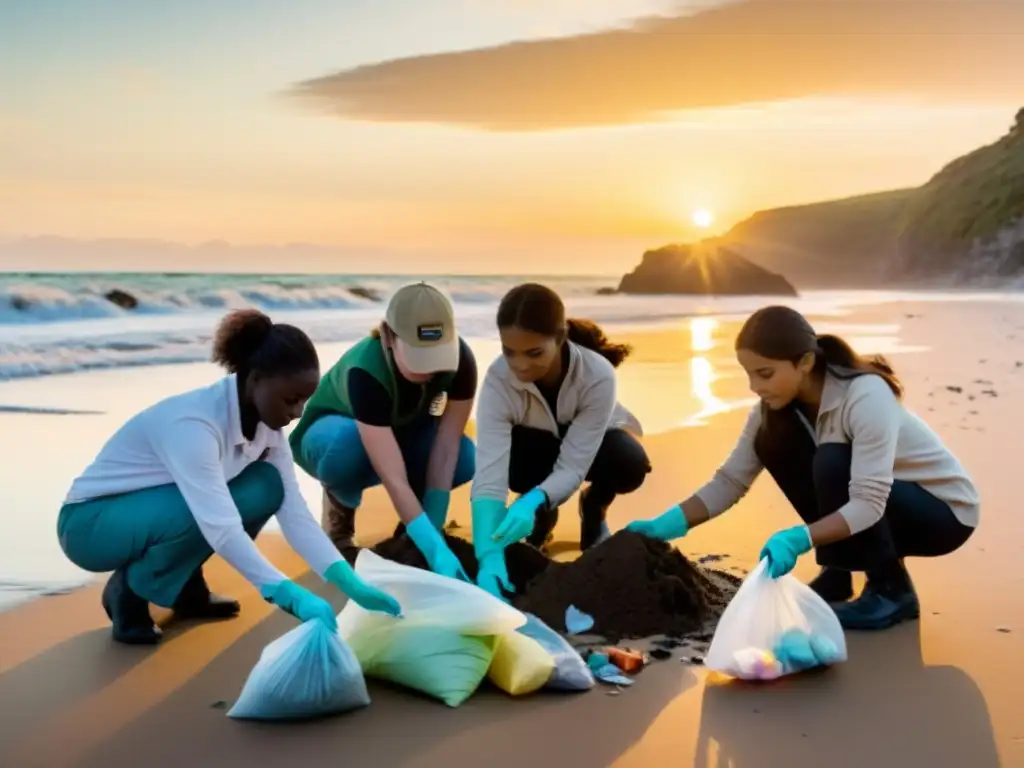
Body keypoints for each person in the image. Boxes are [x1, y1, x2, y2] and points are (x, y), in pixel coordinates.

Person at [57, 309, 401, 645]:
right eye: (291, 399)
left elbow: (294, 513)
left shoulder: (267, 426)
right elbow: (219, 525)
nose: (297, 413)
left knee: (266, 486)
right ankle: (129, 592)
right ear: (255, 379)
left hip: (157, 513)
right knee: (211, 508)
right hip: (91, 525)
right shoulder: (194, 427)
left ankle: (185, 587)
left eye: (304, 401)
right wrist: (284, 593)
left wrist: (349, 582)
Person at [627, 305, 980, 630]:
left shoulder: (865, 395)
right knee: (774, 440)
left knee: (831, 461)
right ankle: (839, 573)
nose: (755, 387)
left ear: (806, 362)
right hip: (881, 505)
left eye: (765, 373)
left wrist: (801, 539)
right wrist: (666, 525)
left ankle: (891, 591)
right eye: (749, 375)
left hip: (942, 514)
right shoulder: (775, 409)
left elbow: (869, 503)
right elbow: (731, 480)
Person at [470, 283, 650, 598]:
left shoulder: (597, 375)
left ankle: (593, 510)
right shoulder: (498, 381)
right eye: (509, 351)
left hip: (594, 446)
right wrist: (489, 557)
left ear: (560, 337)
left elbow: (573, 465)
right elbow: (489, 477)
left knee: (630, 463)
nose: (520, 365)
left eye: (534, 352)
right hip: (534, 447)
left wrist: (532, 499)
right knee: (512, 471)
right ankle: (542, 520)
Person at [290, 281, 476, 582]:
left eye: (437, 355)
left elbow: (446, 448)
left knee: (466, 457)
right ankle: (339, 522)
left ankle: (414, 529)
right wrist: (433, 547)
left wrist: (432, 536)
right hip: (333, 439)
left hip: (404, 433)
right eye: (419, 357)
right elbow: (392, 475)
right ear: (389, 337)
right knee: (347, 445)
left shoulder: (462, 360)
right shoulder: (367, 370)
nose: (429, 369)